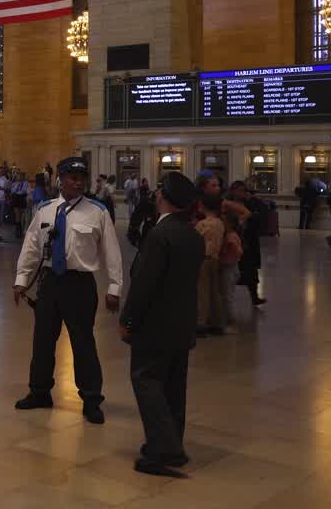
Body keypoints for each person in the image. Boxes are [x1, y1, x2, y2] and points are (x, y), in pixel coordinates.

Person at [13, 156, 124, 425]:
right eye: (72, 177)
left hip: (80, 284)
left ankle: (91, 399)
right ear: (59, 180)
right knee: (42, 341)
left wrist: (114, 287)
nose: (78, 182)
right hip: (50, 283)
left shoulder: (97, 212)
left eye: (81, 177)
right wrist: (21, 279)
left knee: (83, 342)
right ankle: (39, 392)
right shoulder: (45, 210)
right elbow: (31, 246)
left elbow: (112, 252)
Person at [120, 171, 204, 478]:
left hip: (154, 327)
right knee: (173, 388)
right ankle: (168, 440)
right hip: (181, 325)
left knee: (146, 382)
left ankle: (166, 450)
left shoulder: (159, 235)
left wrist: (128, 320)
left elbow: (144, 285)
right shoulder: (193, 235)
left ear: (161, 198)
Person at [228, 181, 268, 306]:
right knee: (231, 273)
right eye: (240, 190)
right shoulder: (227, 204)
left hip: (248, 242)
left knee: (251, 271)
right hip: (233, 241)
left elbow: (261, 213)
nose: (242, 193)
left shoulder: (250, 203)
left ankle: (254, 296)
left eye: (244, 190)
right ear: (233, 191)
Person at [194, 194, 226, 337]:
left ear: (204, 206)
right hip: (215, 258)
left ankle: (200, 323)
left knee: (202, 292)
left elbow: (194, 240)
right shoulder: (220, 223)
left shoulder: (202, 224)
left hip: (203, 259)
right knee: (215, 291)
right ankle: (217, 323)